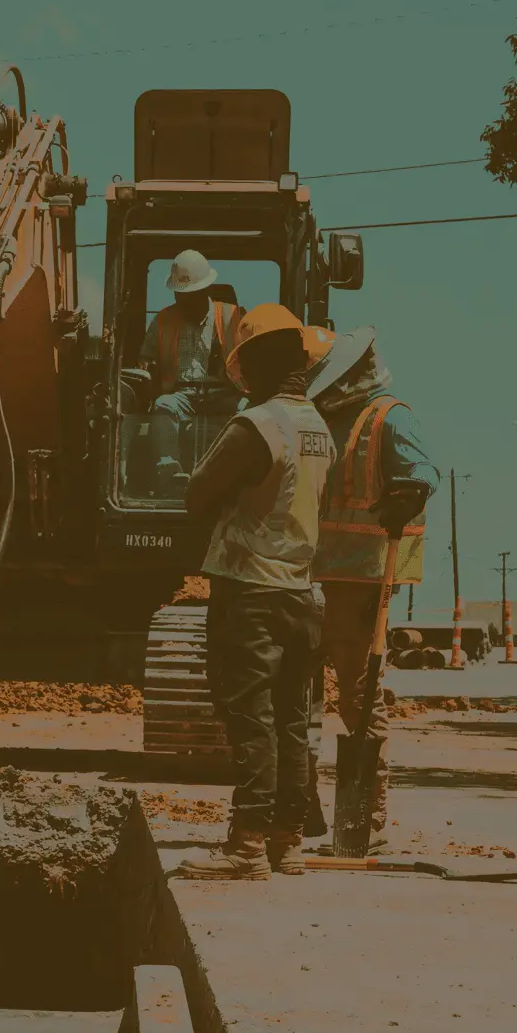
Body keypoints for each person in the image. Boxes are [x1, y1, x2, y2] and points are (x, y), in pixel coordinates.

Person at [175, 304, 335, 880]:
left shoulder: (258, 425)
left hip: (252, 593)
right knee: (293, 721)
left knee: (252, 719)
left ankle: (246, 846)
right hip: (300, 593)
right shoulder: (319, 427)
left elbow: (198, 493)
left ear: (255, 365)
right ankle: (286, 843)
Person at [309, 326, 439, 850]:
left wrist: (409, 492)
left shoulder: (390, 416)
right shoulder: (327, 418)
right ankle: (304, 811)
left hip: (360, 579)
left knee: (359, 697)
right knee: (300, 695)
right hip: (315, 573)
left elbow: (422, 469)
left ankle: (371, 815)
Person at [137, 249, 245, 489]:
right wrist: (145, 366)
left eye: (190, 295)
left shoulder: (234, 317)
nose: (183, 301)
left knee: (247, 411)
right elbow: (145, 357)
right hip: (181, 396)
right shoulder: (163, 320)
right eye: (179, 295)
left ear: (206, 290)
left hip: (223, 396)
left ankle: (240, 475)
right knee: (164, 405)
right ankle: (169, 471)